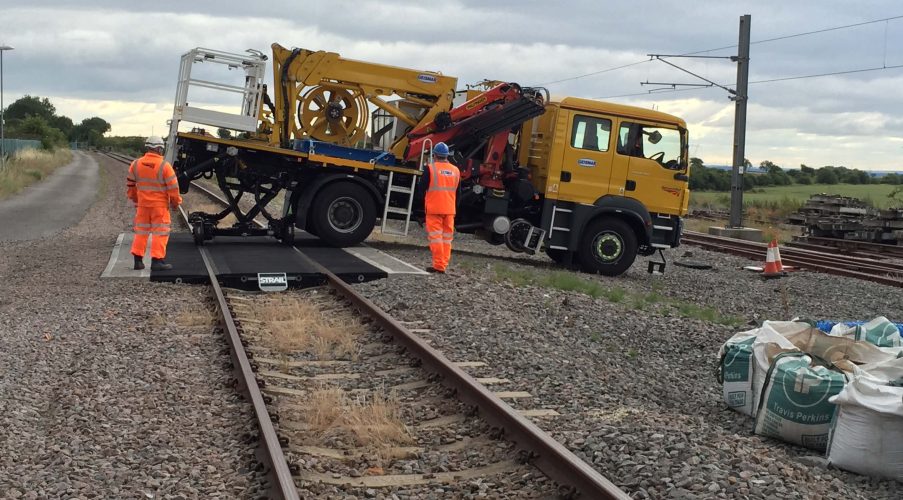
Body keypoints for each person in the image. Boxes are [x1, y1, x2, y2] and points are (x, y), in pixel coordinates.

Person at [126, 136, 182, 271]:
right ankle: (157, 261)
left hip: (143, 206)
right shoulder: (165, 166)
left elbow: (130, 185)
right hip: (159, 207)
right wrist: (176, 203)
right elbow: (174, 188)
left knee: (141, 231)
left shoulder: (136, 164)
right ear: (159, 148)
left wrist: (136, 199)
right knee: (160, 233)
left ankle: (138, 261)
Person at [422, 142, 460, 274]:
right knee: (447, 239)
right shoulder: (455, 170)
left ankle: (438, 265)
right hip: (449, 210)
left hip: (434, 209)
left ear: (435, 155)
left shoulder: (430, 168)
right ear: (447, 155)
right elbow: (458, 192)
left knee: (436, 238)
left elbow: (421, 189)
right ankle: (442, 265)